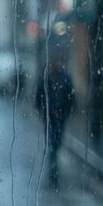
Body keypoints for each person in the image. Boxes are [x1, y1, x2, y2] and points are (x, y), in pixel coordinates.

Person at [34, 58, 75, 187]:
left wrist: (68, 111)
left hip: (60, 117)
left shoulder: (65, 78)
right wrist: (41, 110)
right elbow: (39, 95)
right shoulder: (46, 78)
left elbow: (71, 96)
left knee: (57, 141)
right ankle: (53, 167)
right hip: (49, 116)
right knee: (52, 141)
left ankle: (53, 162)